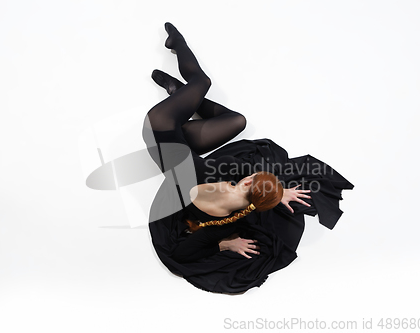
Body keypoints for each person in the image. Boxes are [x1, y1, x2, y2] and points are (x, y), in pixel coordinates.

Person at [142, 23, 353, 294]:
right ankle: (177, 92)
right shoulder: (230, 217)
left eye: (252, 178)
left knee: (204, 84)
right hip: (180, 145)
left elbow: (182, 255)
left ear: (246, 182)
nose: (250, 174)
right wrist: (229, 240)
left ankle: (177, 46)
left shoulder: (219, 177)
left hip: (158, 127)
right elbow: (189, 251)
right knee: (236, 122)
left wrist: (278, 193)